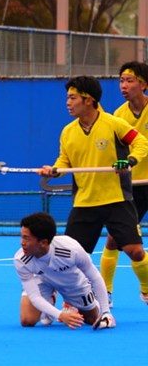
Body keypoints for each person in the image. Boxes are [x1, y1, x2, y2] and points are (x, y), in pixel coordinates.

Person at [37, 75, 148, 306]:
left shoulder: (114, 123)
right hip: (84, 203)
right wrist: (55, 170)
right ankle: (73, 301)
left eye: (72, 98)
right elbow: (65, 161)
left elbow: (141, 143)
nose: (68, 103)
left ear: (88, 100)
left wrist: (130, 160)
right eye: (67, 98)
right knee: (71, 258)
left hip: (117, 199)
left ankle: (146, 289)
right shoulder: (68, 131)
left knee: (135, 251)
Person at [14, 212, 114, 330]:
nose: (22, 243)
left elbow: (94, 276)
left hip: (72, 282)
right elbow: (34, 296)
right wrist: (60, 315)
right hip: (42, 280)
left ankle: (73, 303)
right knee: (27, 320)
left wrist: (106, 312)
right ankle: (51, 298)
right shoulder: (21, 260)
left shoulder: (71, 249)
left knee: (92, 319)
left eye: (26, 238)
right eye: (22, 237)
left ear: (43, 242)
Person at [101, 61, 148, 306]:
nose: (124, 86)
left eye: (129, 81)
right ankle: (105, 292)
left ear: (143, 84)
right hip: (132, 187)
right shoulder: (118, 116)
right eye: (121, 81)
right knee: (114, 238)